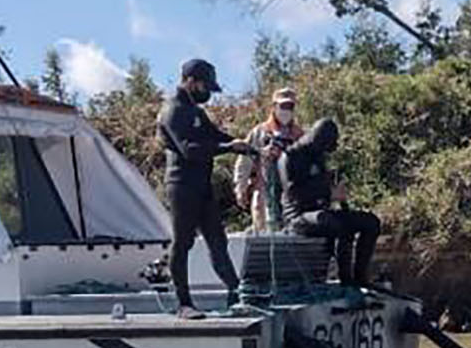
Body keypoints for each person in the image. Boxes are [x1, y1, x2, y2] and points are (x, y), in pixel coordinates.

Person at [157, 58, 250, 318]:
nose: (207, 92)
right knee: (183, 242)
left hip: (202, 185)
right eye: (204, 86)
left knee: (217, 241)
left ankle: (236, 293)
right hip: (181, 185)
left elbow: (215, 136)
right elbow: (189, 150)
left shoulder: (195, 110)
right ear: (190, 81)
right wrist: (228, 148)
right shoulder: (173, 109)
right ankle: (183, 303)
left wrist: (245, 146)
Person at [277, 117, 382, 286]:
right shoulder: (290, 157)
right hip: (298, 218)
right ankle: (345, 279)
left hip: (322, 212)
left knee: (370, 222)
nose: (325, 151)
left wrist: (344, 206)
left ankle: (361, 278)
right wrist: (330, 193)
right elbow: (295, 193)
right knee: (336, 225)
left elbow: (328, 187)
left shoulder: (318, 156)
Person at [237, 86, 301, 232]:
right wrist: (240, 187)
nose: (286, 109)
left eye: (290, 106)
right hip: (264, 193)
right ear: (274, 106)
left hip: (290, 195)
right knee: (264, 231)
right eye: (283, 105)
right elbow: (244, 160)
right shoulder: (260, 131)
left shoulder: (299, 134)